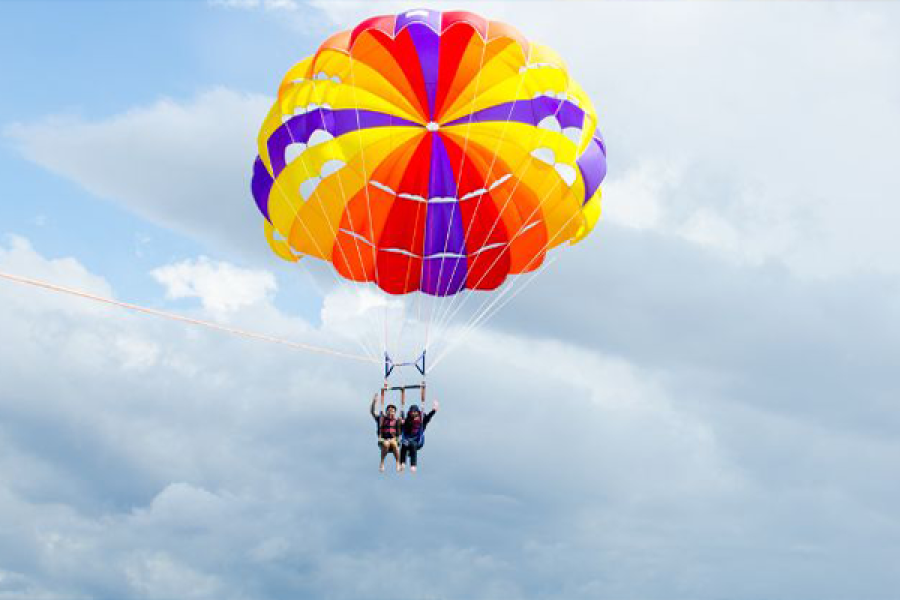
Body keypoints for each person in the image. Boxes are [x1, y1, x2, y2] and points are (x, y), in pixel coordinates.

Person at [399, 384, 438, 473]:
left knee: (412, 444)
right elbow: (402, 427)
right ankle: (402, 463)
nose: (413, 414)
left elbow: (428, 417)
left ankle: (413, 465)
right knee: (404, 445)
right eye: (412, 412)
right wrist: (401, 423)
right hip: (407, 439)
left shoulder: (421, 420)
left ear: (417, 412)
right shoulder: (407, 420)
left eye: (415, 412)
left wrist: (434, 410)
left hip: (418, 441)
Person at [370, 388, 402, 472]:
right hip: (383, 440)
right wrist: (374, 402)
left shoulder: (397, 421)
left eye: (393, 411)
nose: (391, 413)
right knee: (387, 443)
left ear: (395, 413)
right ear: (386, 412)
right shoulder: (382, 419)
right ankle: (382, 463)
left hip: (394, 440)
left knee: (394, 443)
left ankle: (398, 462)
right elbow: (372, 412)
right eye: (389, 411)